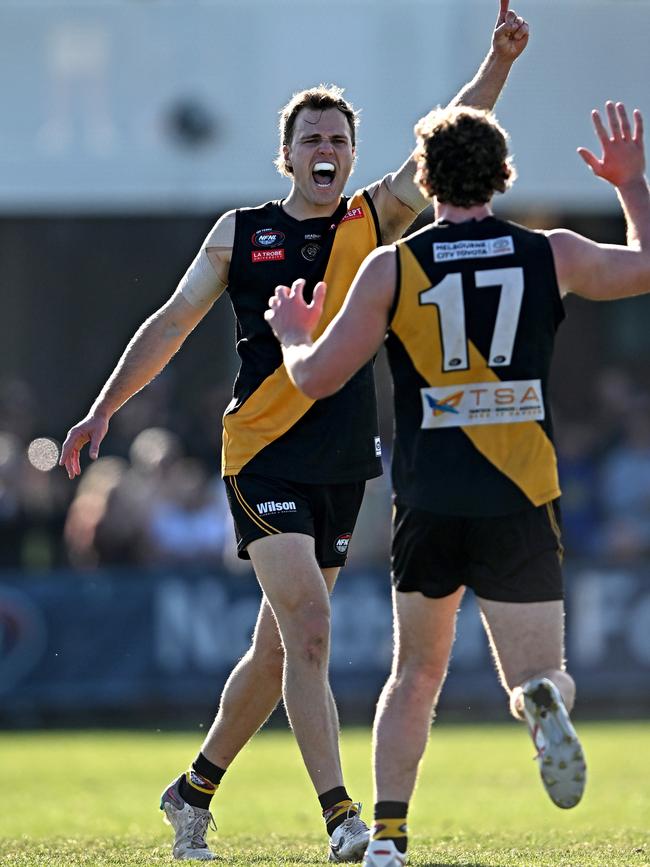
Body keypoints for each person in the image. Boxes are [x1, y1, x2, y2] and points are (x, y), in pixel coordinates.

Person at [59, 3, 529, 860]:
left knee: (281, 650)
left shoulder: (371, 220)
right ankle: (343, 817)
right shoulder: (242, 234)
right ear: (287, 154)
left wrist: (496, 66)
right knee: (309, 629)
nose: (327, 150)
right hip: (262, 451)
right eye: (312, 138)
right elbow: (169, 323)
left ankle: (192, 789)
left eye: (340, 140)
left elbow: (450, 143)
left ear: (351, 154)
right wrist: (104, 407)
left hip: (343, 459)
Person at [266, 101, 650, 867]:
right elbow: (646, 264)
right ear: (501, 173)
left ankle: (389, 840)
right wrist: (631, 183)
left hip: (432, 496)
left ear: (427, 176)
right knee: (542, 674)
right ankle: (542, 703)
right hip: (519, 491)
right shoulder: (551, 253)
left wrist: (293, 336)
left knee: (414, 674)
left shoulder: (394, 266)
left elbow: (316, 379)